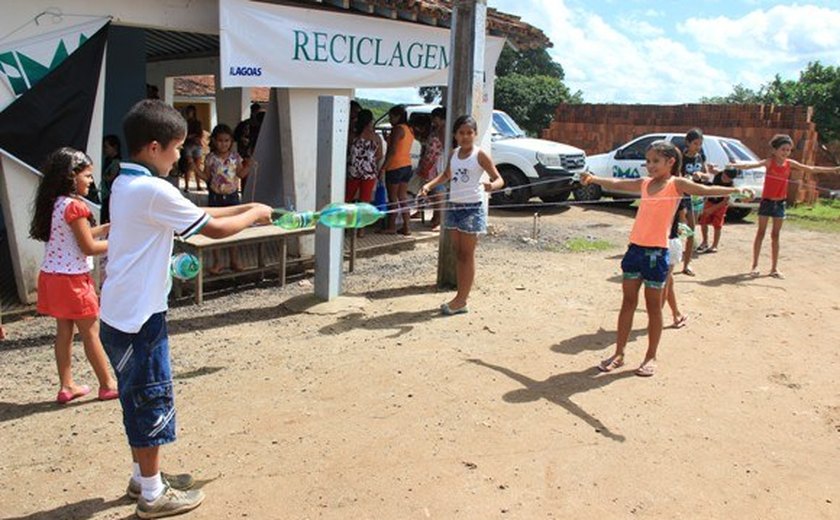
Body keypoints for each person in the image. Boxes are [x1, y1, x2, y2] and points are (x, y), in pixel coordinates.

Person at [99, 99, 273, 518]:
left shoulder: (125, 182)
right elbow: (210, 229)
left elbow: (198, 212)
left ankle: (144, 478)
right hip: (140, 318)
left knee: (138, 399)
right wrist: (254, 215)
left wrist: (248, 208)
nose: (182, 156)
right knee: (151, 398)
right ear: (155, 146)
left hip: (121, 314)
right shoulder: (152, 190)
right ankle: (154, 494)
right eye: (178, 148)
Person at [581, 140, 753, 377]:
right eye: (648, 161)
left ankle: (651, 356)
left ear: (670, 162)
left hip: (657, 253)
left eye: (655, 161)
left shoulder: (676, 184)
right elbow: (618, 182)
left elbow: (703, 190)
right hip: (635, 252)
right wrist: (593, 179)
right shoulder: (644, 183)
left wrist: (734, 191)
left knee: (654, 308)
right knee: (627, 303)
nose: (650, 166)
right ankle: (618, 354)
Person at [29, 147, 118, 404]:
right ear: (71, 176)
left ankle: (66, 386)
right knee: (91, 331)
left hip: (52, 277)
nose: (91, 180)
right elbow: (88, 246)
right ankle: (108, 383)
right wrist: (121, 242)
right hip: (73, 280)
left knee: (64, 332)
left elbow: (81, 236)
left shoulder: (56, 204)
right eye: (87, 175)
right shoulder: (76, 207)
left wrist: (111, 228)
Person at [419, 115, 504, 315]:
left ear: (475, 134)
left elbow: (499, 178)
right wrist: (429, 185)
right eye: (461, 133)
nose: (465, 137)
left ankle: (461, 300)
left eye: (469, 133)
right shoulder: (454, 153)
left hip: (472, 209)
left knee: (467, 255)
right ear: (455, 135)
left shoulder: (480, 155)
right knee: (459, 254)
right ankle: (460, 298)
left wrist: (491, 186)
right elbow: (447, 174)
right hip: (454, 207)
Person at [727, 134, 840, 279]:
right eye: (783, 149)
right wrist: (734, 165)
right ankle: (754, 265)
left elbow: (810, 168)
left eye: (788, 150)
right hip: (767, 202)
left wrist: (833, 170)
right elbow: (750, 165)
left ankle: (774, 268)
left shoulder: (790, 163)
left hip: (780, 203)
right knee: (760, 233)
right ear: (775, 150)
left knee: (775, 235)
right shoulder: (769, 162)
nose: (786, 152)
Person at [201, 123, 253, 274]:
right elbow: (207, 177)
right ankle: (217, 262)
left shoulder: (235, 157)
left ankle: (234, 260)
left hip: (232, 197)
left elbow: (241, 174)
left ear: (231, 142)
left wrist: (249, 165)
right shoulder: (210, 158)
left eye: (227, 141)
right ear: (214, 141)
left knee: (234, 229)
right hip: (215, 197)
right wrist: (194, 168)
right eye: (220, 140)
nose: (223, 144)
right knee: (214, 229)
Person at [679, 128, 715, 276]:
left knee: (691, 231)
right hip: (682, 197)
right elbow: (676, 176)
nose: (698, 146)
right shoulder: (681, 157)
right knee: (681, 229)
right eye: (695, 143)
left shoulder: (700, 157)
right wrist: (687, 178)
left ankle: (687, 264)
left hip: (696, 197)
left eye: (700, 144)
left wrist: (702, 175)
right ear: (688, 143)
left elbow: (708, 176)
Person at [346, 109, 382, 238]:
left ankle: (347, 225)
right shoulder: (376, 137)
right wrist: (369, 162)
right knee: (364, 201)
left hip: (354, 170)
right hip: (369, 172)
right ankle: (361, 230)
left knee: (348, 198)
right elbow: (379, 155)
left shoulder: (353, 136)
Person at [379, 105, 415, 235]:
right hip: (407, 165)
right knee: (403, 197)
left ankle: (391, 226)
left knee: (393, 198)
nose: (390, 119)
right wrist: (387, 139)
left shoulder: (397, 129)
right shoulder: (409, 129)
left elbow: (392, 151)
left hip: (395, 166)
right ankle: (407, 226)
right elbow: (400, 145)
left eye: (392, 116)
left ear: (398, 116)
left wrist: (383, 168)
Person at [411, 113, 445, 229]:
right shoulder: (436, 132)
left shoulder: (439, 133)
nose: (434, 122)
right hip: (430, 164)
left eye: (435, 119)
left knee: (437, 192)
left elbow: (433, 153)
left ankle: (438, 218)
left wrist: (427, 166)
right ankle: (434, 216)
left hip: (433, 165)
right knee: (431, 191)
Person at [696, 168, 738, 253]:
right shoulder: (719, 174)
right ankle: (704, 242)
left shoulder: (731, 186)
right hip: (710, 201)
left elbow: (725, 201)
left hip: (721, 205)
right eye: (724, 176)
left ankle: (715, 245)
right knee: (703, 221)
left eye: (728, 179)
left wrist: (712, 209)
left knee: (717, 225)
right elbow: (711, 171)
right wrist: (709, 168)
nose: (725, 179)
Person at [662, 213, 688, 329]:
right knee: (665, 283)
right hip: (670, 241)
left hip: (660, 241)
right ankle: (657, 317)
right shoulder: (678, 198)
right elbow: (682, 221)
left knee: (667, 281)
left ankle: (676, 314)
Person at [181, 105, 204, 192]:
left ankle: (198, 185)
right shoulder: (184, 123)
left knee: (197, 167)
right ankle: (187, 186)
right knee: (188, 166)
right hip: (188, 145)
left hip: (197, 145)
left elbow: (200, 134)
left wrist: (191, 136)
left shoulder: (197, 123)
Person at [101, 134, 122, 223]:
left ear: (114, 147)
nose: (104, 150)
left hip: (110, 195)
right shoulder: (107, 160)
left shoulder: (117, 162)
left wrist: (103, 177)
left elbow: (111, 177)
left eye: (106, 147)